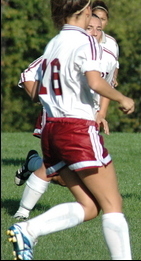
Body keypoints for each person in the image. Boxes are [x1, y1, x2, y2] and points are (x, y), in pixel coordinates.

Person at [6, 0, 134, 260]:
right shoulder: (85, 40)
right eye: (90, 10)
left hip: (51, 130)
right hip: (76, 129)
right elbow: (95, 82)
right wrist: (122, 98)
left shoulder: (54, 44)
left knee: (89, 206)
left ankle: (29, 229)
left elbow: (38, 85)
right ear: (84, 10)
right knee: (113, 204)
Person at [13, 14, 118, 221]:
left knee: (61, 174)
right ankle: (22, 215)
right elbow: (27, 75)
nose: (94, 32)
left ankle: (32, 165)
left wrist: (101, 113)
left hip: (83, 121)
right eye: (89, 27)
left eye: (98, 28)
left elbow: (106, 85)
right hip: (61, 119)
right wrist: (45, 99)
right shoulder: (66, 47)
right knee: (106, 203)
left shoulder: (107, 56)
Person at [92, 0, 119, 87]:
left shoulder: (111, 43)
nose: (99, 21)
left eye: (103, 19)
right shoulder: (81, 39)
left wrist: (114, 78)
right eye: (96, 17)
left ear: (107, 21)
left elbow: (115, 64)